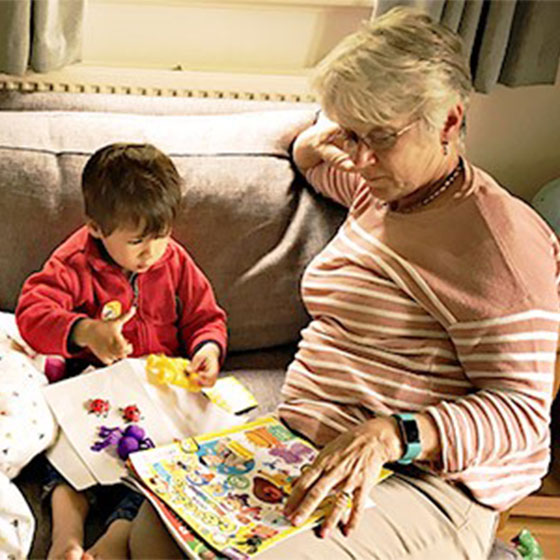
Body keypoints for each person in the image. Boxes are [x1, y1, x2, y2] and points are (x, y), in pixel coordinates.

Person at [128, 7, 560, 560]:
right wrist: (357, 127)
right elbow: (310, 152)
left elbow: (522, 414)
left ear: (450, 120)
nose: (360, 158)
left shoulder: (500, 244)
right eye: (353, 136)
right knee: (155, 530)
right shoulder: (381, 190)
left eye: (379, 137)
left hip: (419, 479)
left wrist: (393, 434)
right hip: (304, 445)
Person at [16, 143, 227, 560]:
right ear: (96, 228)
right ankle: (67, 538)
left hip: (160, 389)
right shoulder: (74, 262)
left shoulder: (175, 263)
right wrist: (85, 331)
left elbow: (206, 317)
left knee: (162, 471)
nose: (151, 253)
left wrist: (207, 350)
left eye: (161, 237)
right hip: (93, 389)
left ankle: (116, 537)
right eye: (137, 242)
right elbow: (31, 315)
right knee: (63, 456)